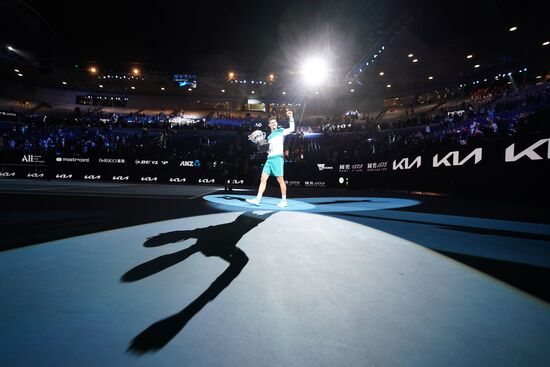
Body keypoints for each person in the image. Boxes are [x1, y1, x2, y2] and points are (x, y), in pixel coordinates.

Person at [247, 110, 295, 207]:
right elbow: (267, 150)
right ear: (269, 125)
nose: (274, 123)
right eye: (272, 123)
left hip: (277, 159)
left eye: (275, 122)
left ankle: (284, 201)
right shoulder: (269, 137)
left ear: (276, 123)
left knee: (280, 180)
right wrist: (258, 143)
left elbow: (292, 129)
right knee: (263, 179)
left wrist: (291, 117)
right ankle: (257, 199)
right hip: (269, 159)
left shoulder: (281, 131)